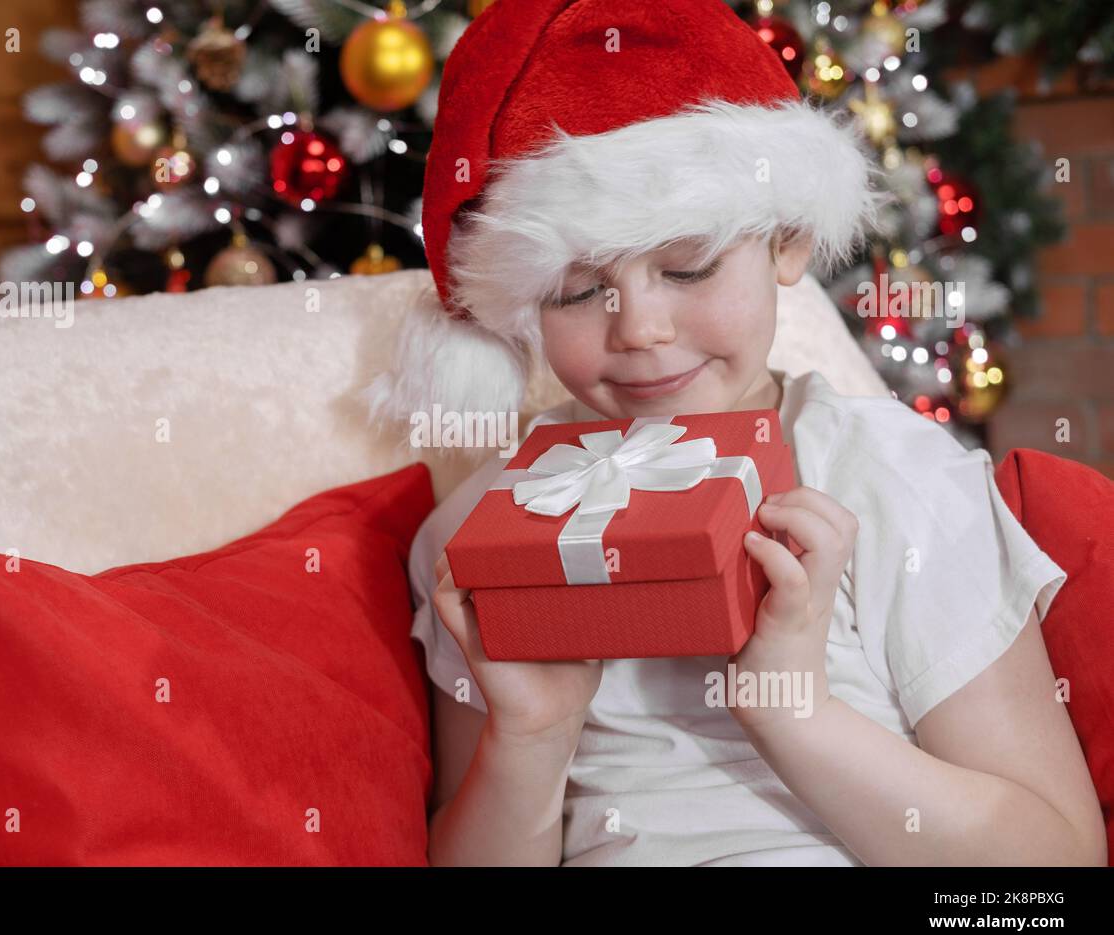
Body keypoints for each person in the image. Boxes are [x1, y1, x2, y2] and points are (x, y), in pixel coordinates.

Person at [363, 0, 1106, 866]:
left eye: (687, 266)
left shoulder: (891, 478)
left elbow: (1049, 869)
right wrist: (530, 736)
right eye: (573, 291)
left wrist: (793, 705)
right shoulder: (480, 533)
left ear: (786, 242)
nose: (638, 328)